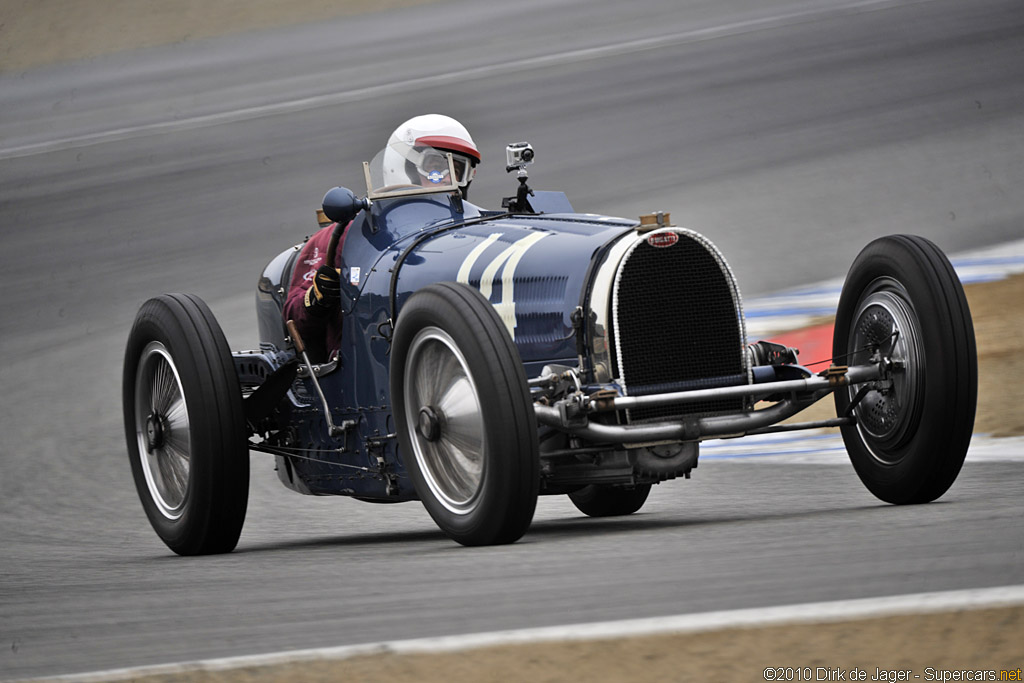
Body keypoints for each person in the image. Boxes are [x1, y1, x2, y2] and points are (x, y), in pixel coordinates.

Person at [283, 114, 481, 361]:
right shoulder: (340, 236)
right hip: (363, 368)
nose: (447, 179)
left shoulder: (475, 232)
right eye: (436, 169)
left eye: (457, 169)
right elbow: (292, 315)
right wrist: (316, 298)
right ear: (404, 167)